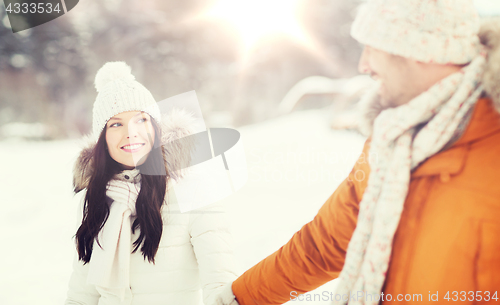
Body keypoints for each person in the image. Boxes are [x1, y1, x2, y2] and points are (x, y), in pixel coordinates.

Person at [215, 1, 500, 304]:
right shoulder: (391, 139)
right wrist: (240, 298)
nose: (364, 65)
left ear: (420, 50)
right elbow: (326, 243)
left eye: (372, 47)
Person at [65, 61, 237, 305]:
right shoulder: (97, 199)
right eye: (116, 124)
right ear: (102, 139)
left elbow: (221, 287)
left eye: (141, 120)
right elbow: (80, 298)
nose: (130, 132)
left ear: (155, 127)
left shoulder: (194, 190)